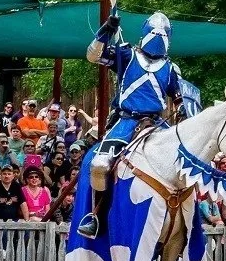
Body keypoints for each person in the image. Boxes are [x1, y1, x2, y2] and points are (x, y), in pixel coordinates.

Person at [77, 12, 184, 238]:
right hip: (126, 122)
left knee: (183, 166)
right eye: (154, 30)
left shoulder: (171, 69)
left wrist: (184, 112)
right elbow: (93, 56)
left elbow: (180, 100)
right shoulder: (127, 55)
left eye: (163, 32)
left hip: (156, 125)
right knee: (99, 165)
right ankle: (96, 217)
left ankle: (184, 222)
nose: (158, 34)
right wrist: (106, 29)